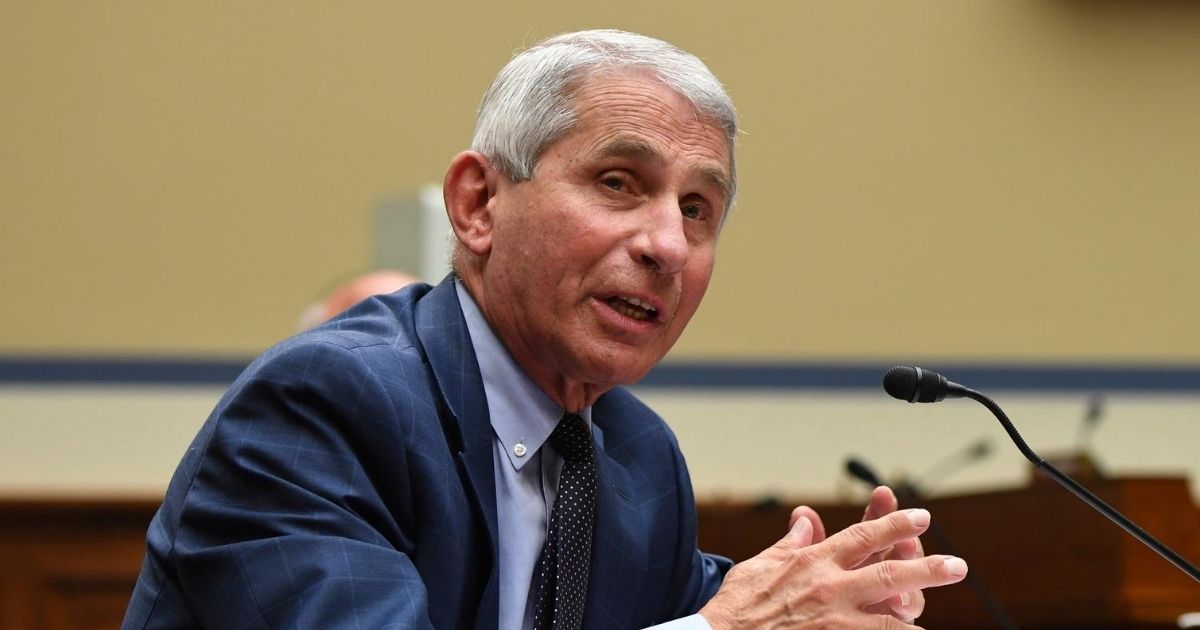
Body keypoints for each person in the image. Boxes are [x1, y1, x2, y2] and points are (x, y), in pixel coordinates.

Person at [123, 29, 967, 629]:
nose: (668, 244)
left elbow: (701, 608)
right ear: (479, 203)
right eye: (617, 182)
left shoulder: (634, 457)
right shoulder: (328, 405)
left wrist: (822, 604)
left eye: (698, 208)